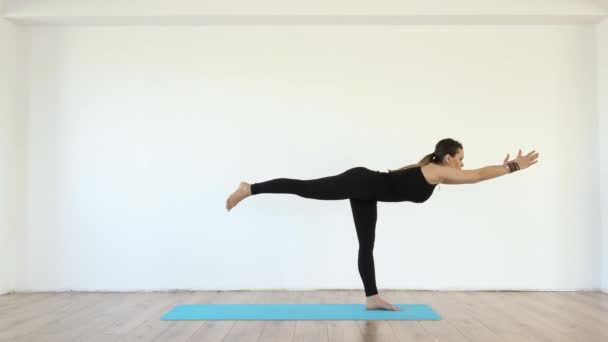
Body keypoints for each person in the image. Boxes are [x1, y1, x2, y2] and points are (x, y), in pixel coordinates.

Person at [225, 138, 540, 311]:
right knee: (306, 188)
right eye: (459, 157)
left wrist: (505, 167)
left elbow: (477, 176)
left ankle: (372, 297)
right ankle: (249, 188)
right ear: (446, 158)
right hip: (360, 182)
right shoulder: (436, 170)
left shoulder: (438, 173)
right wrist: (514, 166)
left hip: (367, 190)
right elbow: (477, 176)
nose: (462, 163)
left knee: (366, 244)